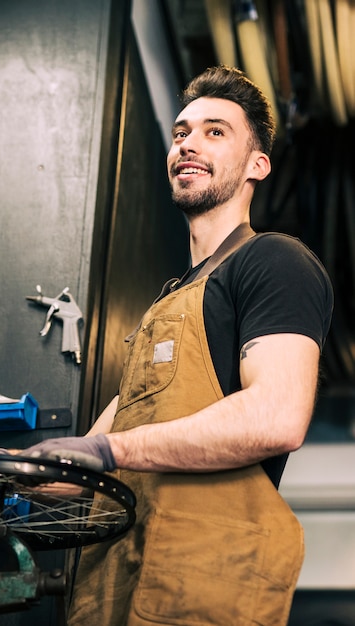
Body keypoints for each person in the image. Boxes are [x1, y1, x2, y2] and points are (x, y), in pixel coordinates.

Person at [21, 66, 334, 626]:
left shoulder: (274, 263)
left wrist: (110, 452)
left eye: (216, 132)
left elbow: (278, 415)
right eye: (181, 131)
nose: (188, 142)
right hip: (115, 588)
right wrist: (3, 477)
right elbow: (88, 465)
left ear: (256, 165)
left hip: (203, 592)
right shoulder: (164, 308)